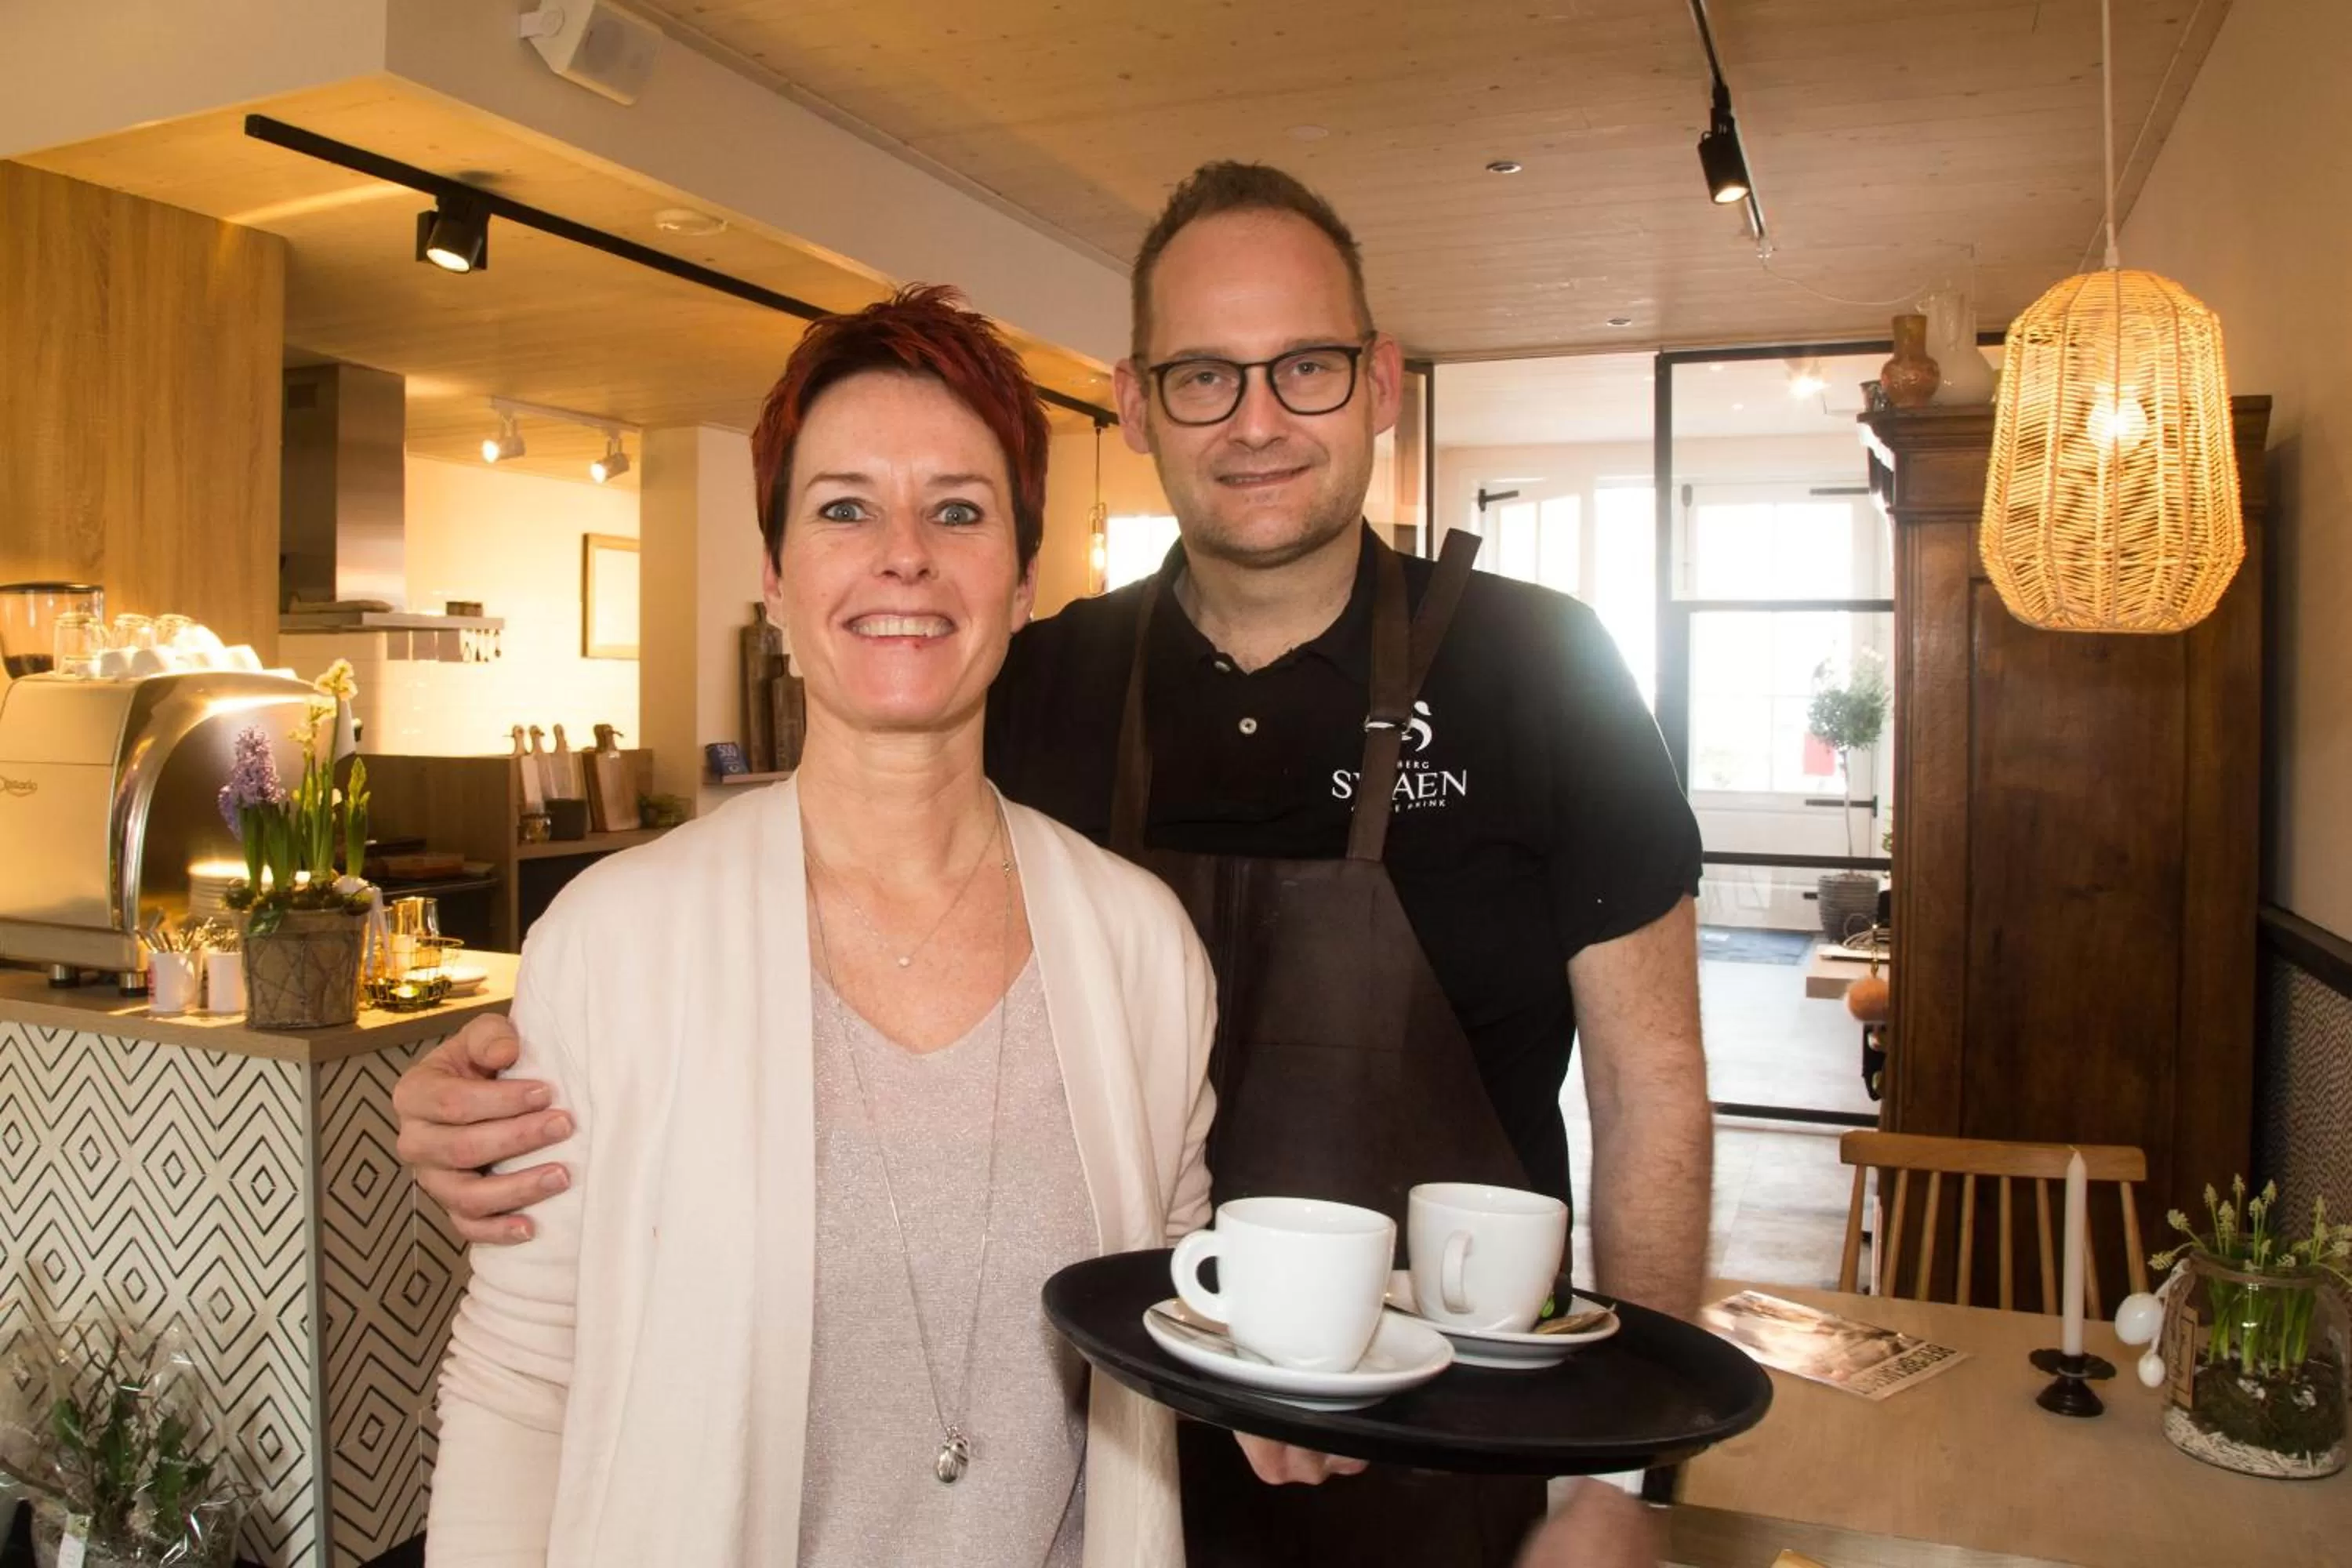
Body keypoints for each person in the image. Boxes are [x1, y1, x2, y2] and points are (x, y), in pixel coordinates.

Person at [402, 164, 1708, 1566]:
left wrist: (1619, 1480)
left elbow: (1655, 1093)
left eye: (1306, 369)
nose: (1258, 420)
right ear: (1137, 403)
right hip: (1134, 1469)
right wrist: (504, 1074)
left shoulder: (1542, 670)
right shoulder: (1042, 678)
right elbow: (773, 946)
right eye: (1206, 375)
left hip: (1460, 1476)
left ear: (1380, 383)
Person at [424, 286, 1217, 1566]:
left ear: (1022, 582)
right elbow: (523, 1379)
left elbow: (1175, 1332)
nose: (903, 552)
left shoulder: (1142, 952)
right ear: (779, 580)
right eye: (845, 507)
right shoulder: (616, 942)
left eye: (958, 510)